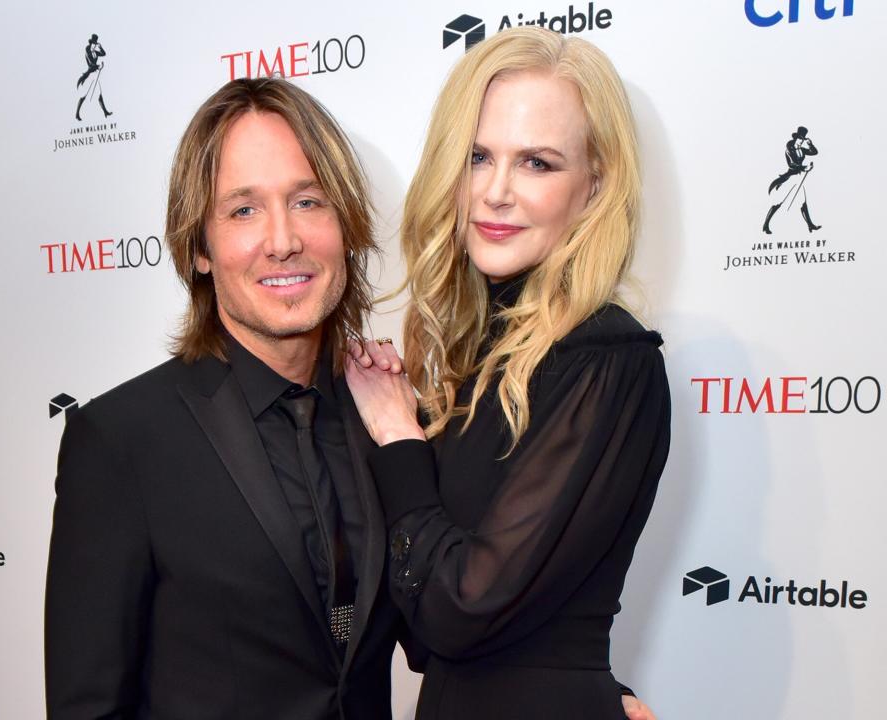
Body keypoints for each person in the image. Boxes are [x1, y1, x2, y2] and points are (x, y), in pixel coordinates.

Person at [44, 76, 656, 719]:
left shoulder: (391, 425)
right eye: (244, 210)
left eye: (309, 202)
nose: (283, 239)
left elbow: (448, 626)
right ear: (199, 246)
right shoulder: (121, 440)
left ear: (348, 225)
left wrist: (582, 695)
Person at [345, 29, 671, 719]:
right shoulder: (483, 358)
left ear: (595, 185)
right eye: (478, 157)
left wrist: (401, 441)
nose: (495, 192)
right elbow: (423, 636)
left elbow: (461, 608)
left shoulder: (606, 360)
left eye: (537, 164)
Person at [762, 126, 821, 234]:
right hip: (791, 177)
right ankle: (765, 225)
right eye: (800, 139)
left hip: (799, 177)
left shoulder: (801, 149)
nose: (801, 141)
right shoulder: (790, 147)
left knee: (803, 202)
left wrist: (810, 144)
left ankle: (810, 225)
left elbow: (814, 152)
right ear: (795, 138)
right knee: (778, 202)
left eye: (802, 139)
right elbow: (791, 164)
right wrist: (804, 168)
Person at [75, 33, 113, 121]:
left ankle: (105, 111)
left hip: (95, 74)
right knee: (84, 95)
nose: (94, 45)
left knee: (99, 94)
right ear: (91, 43)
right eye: (94, 43)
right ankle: (77, 114)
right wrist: (98, 66)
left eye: (95, 44)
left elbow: (104, 54)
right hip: (90, 74)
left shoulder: (95, 51)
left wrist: (100, 47)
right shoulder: (87, 49)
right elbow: (90, 62)